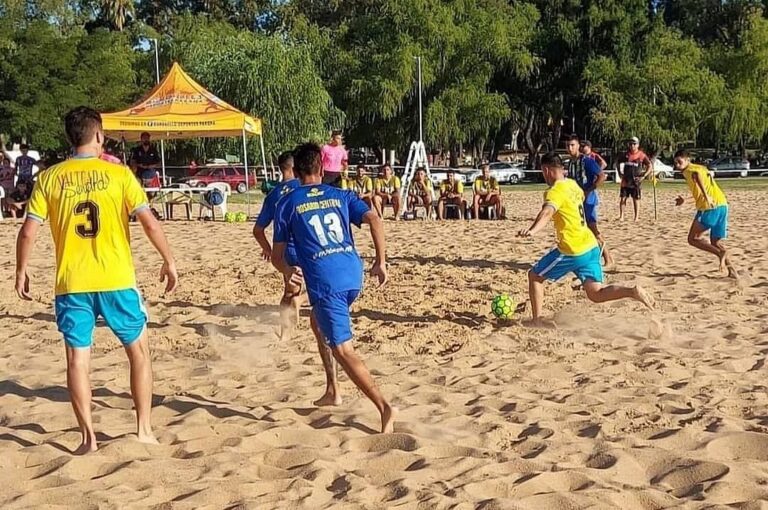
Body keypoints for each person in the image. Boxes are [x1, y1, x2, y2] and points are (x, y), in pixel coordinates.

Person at [15, 106, 178, 454]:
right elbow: (149, 222)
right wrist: (169, 260)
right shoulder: (118, 175)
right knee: (138, 352)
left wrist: (21, 269)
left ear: (69, 138)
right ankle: (144, 429)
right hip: (116, 277)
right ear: (99, 136)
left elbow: (28, 232)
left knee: (77, 360)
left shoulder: (49, 178)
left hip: (72, 282)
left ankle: (88, 438)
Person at [271, 142, 396, 433]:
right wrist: (381, 261)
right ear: (322, 168)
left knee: (343, 349)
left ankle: (384, 407)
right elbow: (374, 218)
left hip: (326, 280)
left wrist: (288, 271)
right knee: (317, 322)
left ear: (297, 171)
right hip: (353, 272)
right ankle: (332, 390)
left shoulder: (287, 202)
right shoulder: (340, 194)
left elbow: (277, 256)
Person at [518, 153, 653, 326]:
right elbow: (581, 196)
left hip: (572, 249)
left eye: (543, 172)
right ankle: (632, 291)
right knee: (596, 293)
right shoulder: (572, 184)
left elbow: (547, 212)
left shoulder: (554, 191)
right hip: (591, 246)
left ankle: (536, 321)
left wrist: (533, 230)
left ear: (546, 170)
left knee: (535, 276)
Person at [253, 151, 305, 338]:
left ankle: (285, 333)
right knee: (322, 287)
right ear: (294, 167)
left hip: (284, 249)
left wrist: (267, 249)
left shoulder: (273, 194)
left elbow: (257, 230)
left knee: (289, 289)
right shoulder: (304, 186)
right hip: (305, 245)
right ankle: (301, 303)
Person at [673, 149, 736, 277]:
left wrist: (707, 197)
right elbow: (702, 189)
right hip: (723, 205)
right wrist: (686, 200)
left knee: (693, 239)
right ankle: (732, 272)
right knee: (715, 243)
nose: (677, 165)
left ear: (687, 160)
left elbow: (696, 176)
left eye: (679, 162)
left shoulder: (690, 170)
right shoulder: (702, 167)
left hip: (709, 208)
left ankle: (720, 254)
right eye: (675, 163)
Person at [566, 135, 614, 266]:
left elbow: (601, 176)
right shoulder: (571, 163)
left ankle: (608, 258)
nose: (570, 148)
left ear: (577, 146)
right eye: (568, 146)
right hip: (577, 200)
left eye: (572, 145)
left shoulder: (586, 161)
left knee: (593, 228)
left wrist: (589, 190)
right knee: (582, 229)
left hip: (588, 200)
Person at [617, 136, 652, 221]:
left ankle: (636, 217)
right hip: (626, 180)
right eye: (630, 144)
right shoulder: (626, 154)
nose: (632, 145)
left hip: (636, 181)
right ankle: (621, 216)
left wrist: (644, 175)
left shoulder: (641, 155)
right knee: (623, 198)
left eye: (634, 144)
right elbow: (618, 162)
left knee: (636, 199)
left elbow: (649, 165)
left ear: (638, 145)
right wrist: (619, 173)